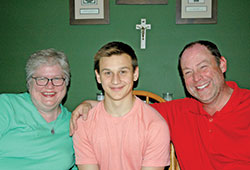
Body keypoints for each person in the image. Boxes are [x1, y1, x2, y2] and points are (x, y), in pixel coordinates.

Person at [70, 40, 250, 170]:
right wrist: (90, 104)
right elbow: (127, 108)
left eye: (203, 67)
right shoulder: (179, 111)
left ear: (222, 64)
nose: (197, 78)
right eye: (188, 72)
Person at [73, 41, 170, 170]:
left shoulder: (155, 125)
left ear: (135, 74)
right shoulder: (84, 123)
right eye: (108, 73)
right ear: (98, 76)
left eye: (123, 72)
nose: (115, 80)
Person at [0, 48, 77, 170]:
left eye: (57, 79)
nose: (49, 86)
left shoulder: (74, 123)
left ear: (66, 83)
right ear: (29, 83)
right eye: (41, 79)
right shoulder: (6, 106)